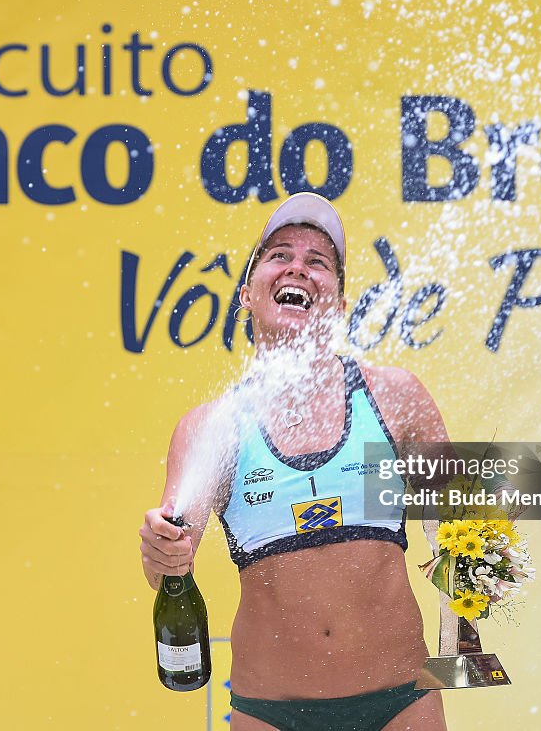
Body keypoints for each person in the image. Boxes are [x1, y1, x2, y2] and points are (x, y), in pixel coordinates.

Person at [140, 193, 451, 730]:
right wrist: (163, 553)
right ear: (247, 293)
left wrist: (485, 524)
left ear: (340, 302)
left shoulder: (394, 396)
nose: (298, 269)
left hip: (402, 703)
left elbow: (459, 516)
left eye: (318, 262)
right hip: (271, 713)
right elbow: (167, 565)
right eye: (280, 254)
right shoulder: (211, 427)